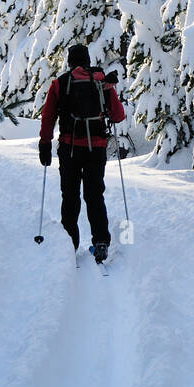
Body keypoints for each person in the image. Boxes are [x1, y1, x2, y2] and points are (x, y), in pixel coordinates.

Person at [39, 44, 126, 262]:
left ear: (69, 61)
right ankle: (101, 242)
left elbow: (48, 115)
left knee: (70, 196)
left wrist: (45, 143)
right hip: (96, 148)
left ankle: (69, 243)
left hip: (69, 149)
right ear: (87, 60)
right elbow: (118, 115)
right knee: (94, 195)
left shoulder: (60, 83)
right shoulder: (100, 81)